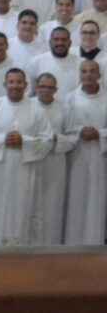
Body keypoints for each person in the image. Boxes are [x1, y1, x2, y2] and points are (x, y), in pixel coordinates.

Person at [0, 68, 53, 247]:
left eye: (19, 82)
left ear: (25, 85)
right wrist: (3, 139)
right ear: (4, 85)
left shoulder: (37, 110)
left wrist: (24, 141)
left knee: (23, 208)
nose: (15, 86)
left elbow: (47, 140)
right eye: (11, 82)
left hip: (24, 169)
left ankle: (24, 250)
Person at [62, 60, 107, 245]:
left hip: (101, 154)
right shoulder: (70, 98)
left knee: (97, 197)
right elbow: (64, 126)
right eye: (84, 71)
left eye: (92, 71)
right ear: (79, 75)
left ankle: (96, 240)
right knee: (76, 196)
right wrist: (80, 130)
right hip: (77, 154)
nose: (88, 75)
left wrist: (101, 133)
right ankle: (73, 241)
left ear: (99, 74)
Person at [30, 72, 70, 246]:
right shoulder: (27, 106)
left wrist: (56, 139)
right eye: (42, 86)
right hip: (31, 162)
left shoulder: (64, 109)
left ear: (56, 90)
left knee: (51, 204)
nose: (45, 90)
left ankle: (51, 245)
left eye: (50, 87)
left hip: (54, 163)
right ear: (36, 88)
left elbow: (73, 137)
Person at [28, 28, 81, 100]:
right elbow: (30, 93)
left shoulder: (81, 64)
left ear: (70, 43)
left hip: (72, 110)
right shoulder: (36, 62)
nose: (60, 43)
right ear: (50, 42)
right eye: (56, 39)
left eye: (64, 40)